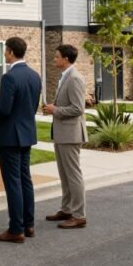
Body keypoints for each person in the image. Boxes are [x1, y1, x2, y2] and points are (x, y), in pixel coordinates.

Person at [0, 36, 42, 244]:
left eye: (5, 50)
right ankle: (28, 225)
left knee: (13, 182)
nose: (4, 54)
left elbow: (3, 110)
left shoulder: (9, 77)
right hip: (27, 133)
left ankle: (16, 229)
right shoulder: (35, 75)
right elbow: (32, 106)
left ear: (11, 52)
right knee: (25, 179)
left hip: (10, 136)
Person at [44, 44, 88, 229]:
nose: (54, 59)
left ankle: (79, 215)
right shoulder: (65, 77)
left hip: (71, 134)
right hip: (62, 133)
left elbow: (78, 108)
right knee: (64, 175)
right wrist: (55, 107)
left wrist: (56, 110)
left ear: (66, 59)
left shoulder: (74, 78)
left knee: (73, 175)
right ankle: (67, 209)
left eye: (56, 57)